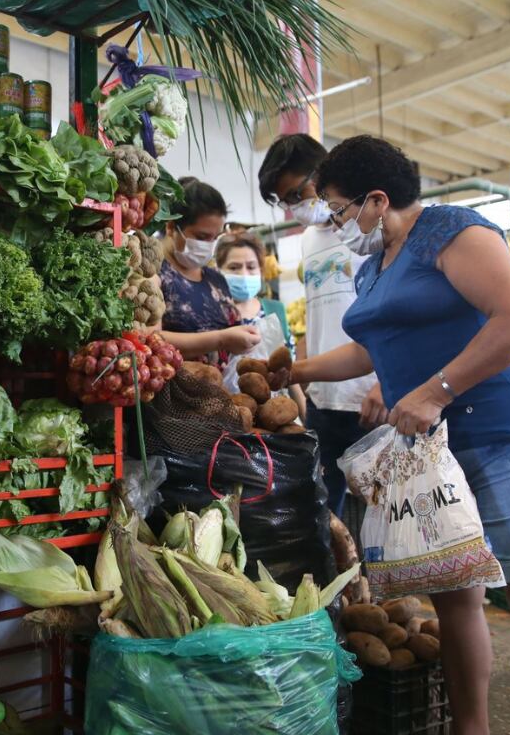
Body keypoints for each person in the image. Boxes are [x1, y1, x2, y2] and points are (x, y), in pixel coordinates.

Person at [291, 135, 510, 735]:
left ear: (377, 200)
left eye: (339, 208)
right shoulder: (374, 267)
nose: (336, 223)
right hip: (437, 456)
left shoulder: (453, 231)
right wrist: (296, 372)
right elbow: (370, 347)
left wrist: (435, 391)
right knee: (457, 603)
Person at [258, 133, 383, 516]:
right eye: (285, 202)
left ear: (324, 171)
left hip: (374, 399)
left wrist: (387, 382)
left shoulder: (372, 228)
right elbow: (320, 316)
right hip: (324, 402)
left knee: (390, 513)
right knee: (323, 516)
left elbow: (399, 315)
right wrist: (305, 386)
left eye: (297, 193)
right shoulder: (309, 241)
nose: (295, 207)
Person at [158, 177, 260, 363]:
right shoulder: (153, 277)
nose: (209, 245)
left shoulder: (216, 281)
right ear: (172, 227)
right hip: (175, 389)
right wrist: (220, 340)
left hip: (222, 387)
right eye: (202, 236)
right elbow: (150, 340)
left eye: (215, 238)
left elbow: (233, 330)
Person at [216, 232, 307, 422]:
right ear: (219, 270)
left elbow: (288, 371)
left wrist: (305, 415)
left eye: (251, 267)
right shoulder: (212, 314)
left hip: (275, 413)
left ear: (261, 271)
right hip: (228, 414)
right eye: (234, 267)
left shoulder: (275, 309)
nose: (243, 274)